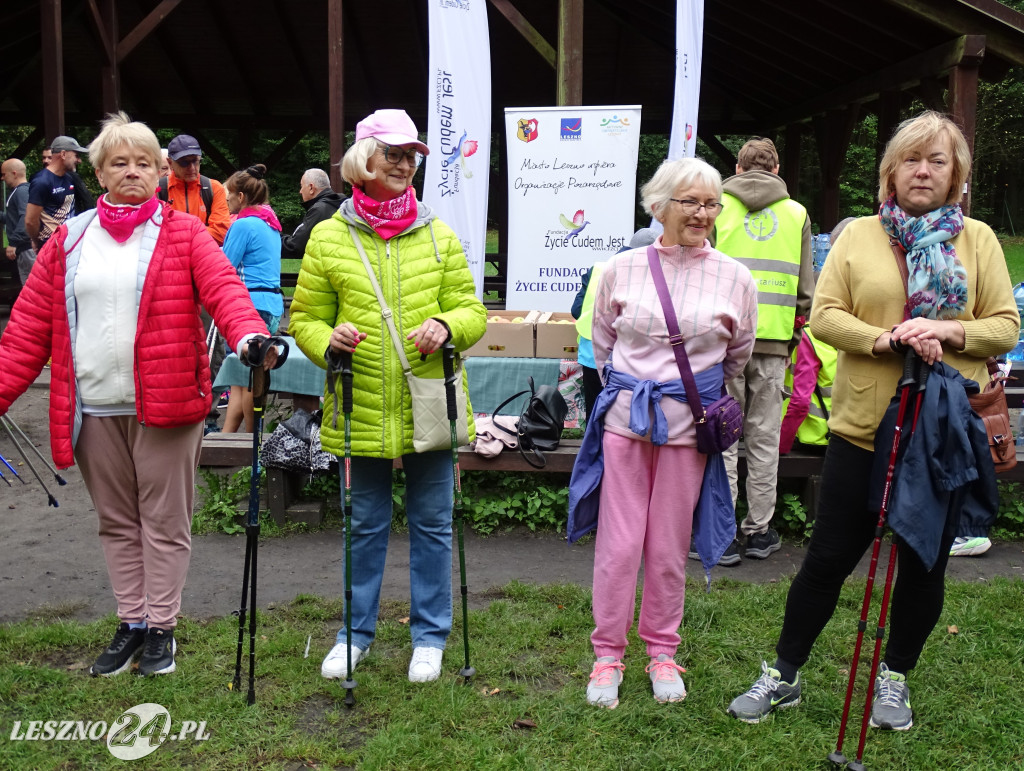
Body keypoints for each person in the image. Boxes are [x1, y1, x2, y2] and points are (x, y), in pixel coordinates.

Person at [728, 111, 1018, 731]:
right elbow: (826, 316)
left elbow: (1005, 325)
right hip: (862, 429)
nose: (923, 170)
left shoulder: (980, 239)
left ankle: (895, 678)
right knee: (827, 559)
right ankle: (783, 673)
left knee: (922, 565)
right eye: (912, 159)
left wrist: (943, 328)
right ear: (890, 171)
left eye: (937, 161)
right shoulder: (856, 235)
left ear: (957, 174)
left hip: (940, 433)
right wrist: (888, 339)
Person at [0, 112, 274, 678]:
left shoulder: (184, 231)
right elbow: (27, 328)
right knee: (118, 522)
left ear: (160, 173)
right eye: (119, 162)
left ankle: (162, 630)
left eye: (143, 163)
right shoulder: (69, 240)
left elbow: (225, 289)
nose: (132, 171)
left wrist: (250, 336)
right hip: (95, 408)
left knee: (166, 521)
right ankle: (131, 622)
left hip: (168, 406)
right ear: (98, 173)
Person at [289, 108, 486, 684]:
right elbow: (305, 320)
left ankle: (430, 636)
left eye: (411, 156)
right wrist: (332, 341)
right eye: (393, 154)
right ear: (363, 161)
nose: (405, 164)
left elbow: (472, 313)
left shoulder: (439, 233)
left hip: (429, 401)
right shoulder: (328, 236)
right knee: (364, 524)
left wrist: (448, 327)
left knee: (432, 522)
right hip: (362, 402)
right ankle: (354, 635)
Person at [568, 157, 757, 708]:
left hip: (688, 432)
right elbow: (603, 345)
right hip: (626, 425)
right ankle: (607, 656)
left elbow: (737, 355)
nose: (702, 213)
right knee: (620, 545)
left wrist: (683, 397)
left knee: (669, 548)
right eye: (690, 202)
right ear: (658, 206)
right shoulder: (620, 269)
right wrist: (636, 392)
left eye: (710, 203)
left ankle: (662, 652)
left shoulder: (735, 276)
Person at [716, 137, 814, 565]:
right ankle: (757, 531)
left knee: (722, 436)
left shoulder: (714, 204)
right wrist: (790, 340)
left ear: (737, 169)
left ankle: (719, 528)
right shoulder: (797, 214)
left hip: (722, 342)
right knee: (762, 436)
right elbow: (807, 292)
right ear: (776, 171)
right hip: (773, 344)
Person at [221, 164, 285, 434]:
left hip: (249, 307)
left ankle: (251, 445)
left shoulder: (244, 225)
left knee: (248, 381)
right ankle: (226, 439)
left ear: (241, 197)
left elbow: (223, 266)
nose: (225, 199)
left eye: (228, 195)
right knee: (241, 379)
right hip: (272, 306)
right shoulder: (269, 224)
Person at [571, 228, 657, 421]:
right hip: (631, 359)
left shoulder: (599, 269)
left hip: (591, 354)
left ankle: (594, 449)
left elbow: (576, 310)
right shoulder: (654, 274)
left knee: (595, 414)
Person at [162, 134, 231, 246]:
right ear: (170, 163)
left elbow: (220, 234)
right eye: (184, 163)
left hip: (203, 260)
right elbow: (151, 234)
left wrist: (177, 234)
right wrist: (200, 232)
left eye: (196, 161)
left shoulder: (213, 188)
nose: (192, 168)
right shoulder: (159, 189)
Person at [25, 135, 89, 250]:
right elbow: (30, 221)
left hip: (70, 244)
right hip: (50, 247)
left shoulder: (69, 178)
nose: (79, 160)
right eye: (76, 155)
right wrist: (36, 241)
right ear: (63, 154)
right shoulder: (41, 182)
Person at [281, 168, 345, 261]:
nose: (300, 191)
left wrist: (275, 239)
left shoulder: (319, 210)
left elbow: (295, 247)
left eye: (301, 186)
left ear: (311, 188)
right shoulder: (341, 204)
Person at [3, 158, 35, 286]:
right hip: (24, 250)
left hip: (26, 249)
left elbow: (26, 217)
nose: (3, 178)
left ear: (14, 173)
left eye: (4, 174)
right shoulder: (19, 191)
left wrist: (13, 242)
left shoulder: (22, 191)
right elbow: (13, 219)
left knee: (31, 288)